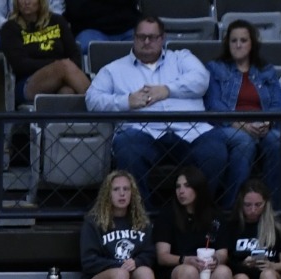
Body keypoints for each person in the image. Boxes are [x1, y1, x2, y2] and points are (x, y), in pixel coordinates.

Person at [86, 18, 236, 210]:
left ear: (163, 38)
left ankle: (195, 215)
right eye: (142, 37)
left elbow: (201, 80)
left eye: (153, 37)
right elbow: (92, 99)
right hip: (142, 131)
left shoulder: (181, 58)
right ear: (133, 38)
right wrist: (126, 101)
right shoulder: (114, 69)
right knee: (128, 148)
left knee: (214, 151)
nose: (147, 42)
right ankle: (144, 217)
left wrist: (167, 89)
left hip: (190, 130)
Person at [205, 21, 281, 204]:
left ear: (252, 44)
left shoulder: (267, 71)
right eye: (234, 40)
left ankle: (274, 209)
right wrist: (241, 124)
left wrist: (268, 122)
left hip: (262, 124)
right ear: (227, 43)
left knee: (278, 142)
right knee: (245, 142)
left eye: (243, 40)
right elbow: (213, 104)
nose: (238, 45)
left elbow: (276, 104)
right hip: (227, 125)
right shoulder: (215, 68)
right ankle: (232, 207)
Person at [0, 0, 86, 107]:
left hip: (62, 77)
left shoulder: (57, 21)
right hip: (27, 82)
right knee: (64, 66)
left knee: (67, 91)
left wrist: (57, 71)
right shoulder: (10, 28)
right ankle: (99, 108)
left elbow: (75, 57)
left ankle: (61, 123)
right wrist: (55, 66)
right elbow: (20, 65)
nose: (26, 2)